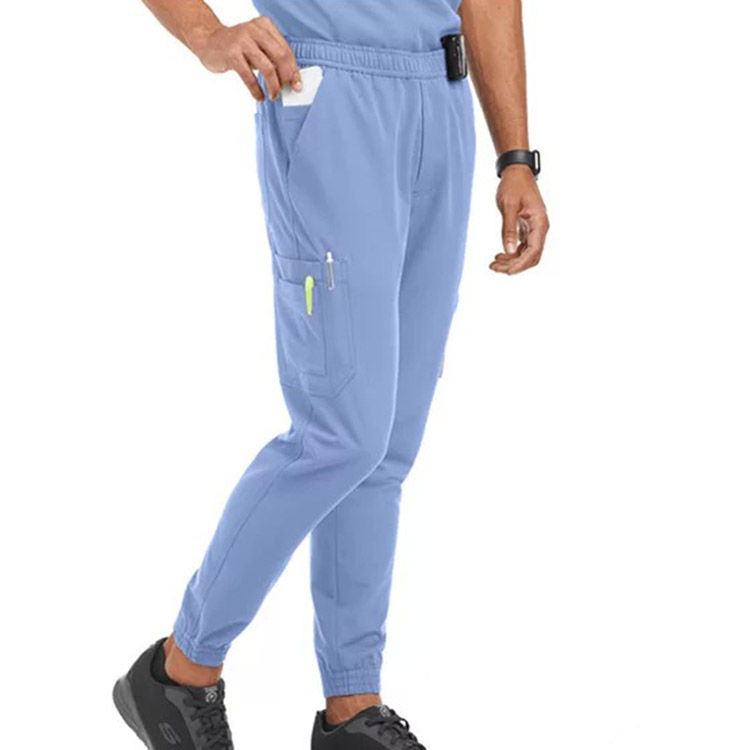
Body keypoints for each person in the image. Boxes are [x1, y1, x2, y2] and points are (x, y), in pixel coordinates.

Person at [113, 1, 549, 748]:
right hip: (330, 95)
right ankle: (180, 670)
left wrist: (516, 156)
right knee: (342, 434)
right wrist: (208, 35)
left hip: (442, 105)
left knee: (387, 447)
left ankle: (353, 706)